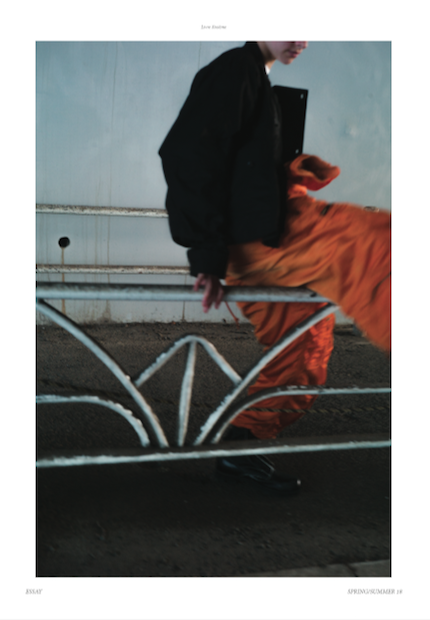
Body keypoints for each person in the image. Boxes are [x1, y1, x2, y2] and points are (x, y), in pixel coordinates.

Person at [159, 42, 391, 494]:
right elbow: (188, 154)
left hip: (261, 239)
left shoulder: (254, 76)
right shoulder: (236, 69)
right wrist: (206, 254)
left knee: (303, 349)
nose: (301, 38)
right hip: (262, 239)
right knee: (376, 244)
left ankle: (241, 449)